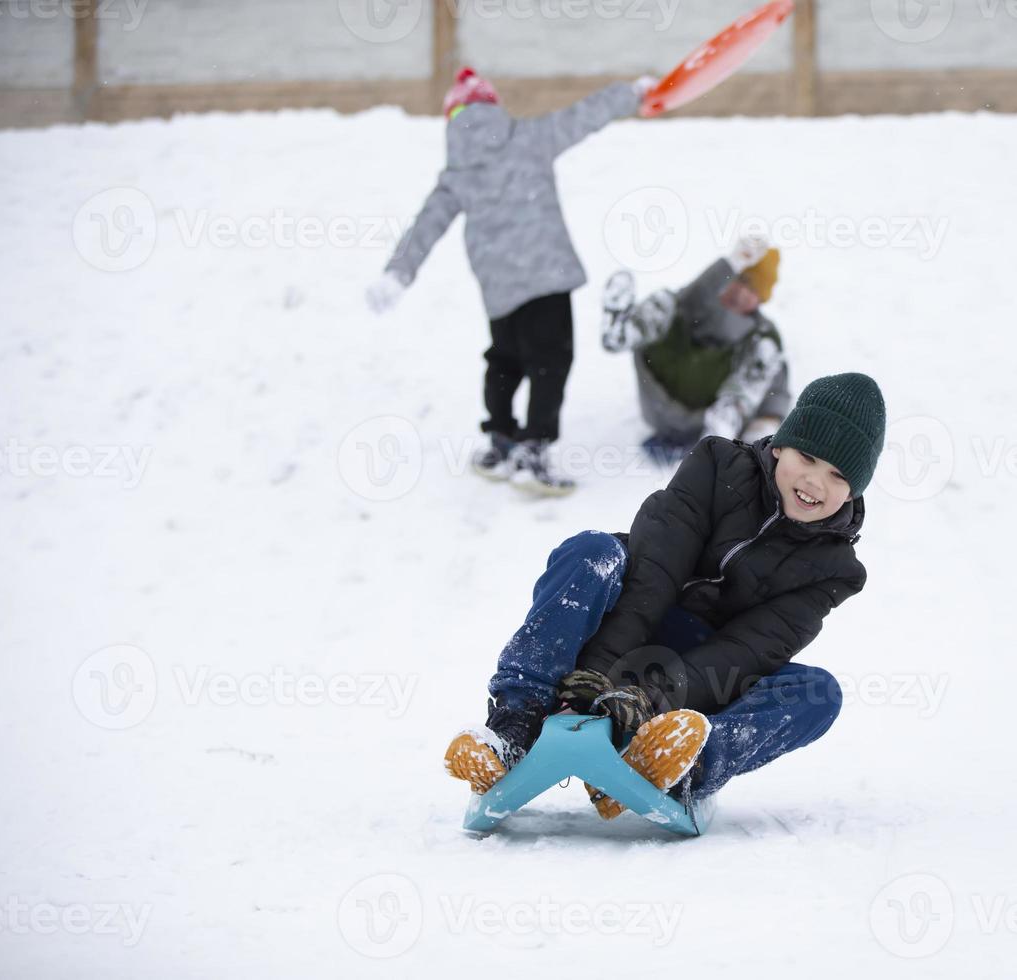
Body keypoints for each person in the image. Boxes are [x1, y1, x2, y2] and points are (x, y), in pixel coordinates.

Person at [444, 373, 887, 818]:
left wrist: (649, 698)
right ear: (778, 446)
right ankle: (515, 723)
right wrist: (597, 678)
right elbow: (654, 572)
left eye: (838, 474)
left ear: (856, 489)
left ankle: (679, 763)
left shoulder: (834, 571)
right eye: (806, 456)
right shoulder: (718, 465)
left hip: (694, 684)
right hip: (619, 628)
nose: (814, 481)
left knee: (817, 693)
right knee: (593, 551)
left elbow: (748, 649)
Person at [366, 67, 658, 495]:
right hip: (546, 273)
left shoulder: (457, 173)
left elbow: (426, 225)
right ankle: (534, 450)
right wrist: (631, 94)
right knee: (550, 362)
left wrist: (398, 273)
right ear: (492, 108)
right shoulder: (528, 139)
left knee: (505, 358)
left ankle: (501, 439)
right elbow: (584, 116)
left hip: (499, 285)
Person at [601, 235, 790, 462]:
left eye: (753, 290)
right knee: (666, 304)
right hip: (660, 408)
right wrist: (728, 265)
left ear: (761, 299)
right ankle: (623, 330)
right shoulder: (681, 307)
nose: (741, 294)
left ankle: (736, 432)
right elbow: (692, 299)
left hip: (710, 424)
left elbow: (745, 393)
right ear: (725, 279)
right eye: (739, 281)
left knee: (768, 354)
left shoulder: (761, 338)